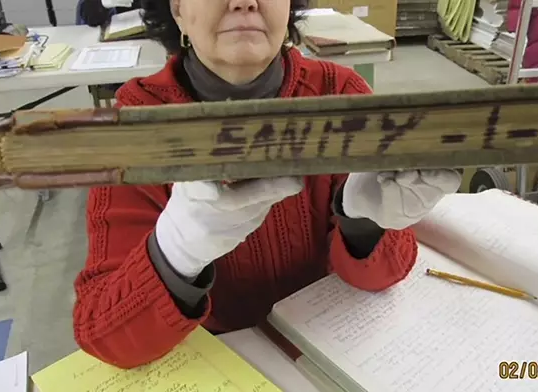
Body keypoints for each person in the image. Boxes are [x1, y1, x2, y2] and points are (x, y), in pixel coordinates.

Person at [73, 0, 462, 369]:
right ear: (178, 9)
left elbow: (382, 276)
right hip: (219, 363)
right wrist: (173, 253)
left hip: (330, 350)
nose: (245, 2)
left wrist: (366, 227)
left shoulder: (341, 95)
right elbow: (105, 336)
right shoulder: (134, 129)